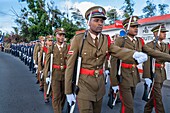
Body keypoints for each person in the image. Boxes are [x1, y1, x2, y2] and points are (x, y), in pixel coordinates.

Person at [65, 6, 148, 113]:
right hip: (83, 85)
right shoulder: (79, 39)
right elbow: (70, 66)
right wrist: (68, 91)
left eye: (102, 21)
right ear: (88, 22)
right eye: (96, 20)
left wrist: (134, 55)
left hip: (99, 86)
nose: (100, 23)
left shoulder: (105, 39)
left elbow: (117, 51)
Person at [111, 16, 170, 113]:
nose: (136, 29)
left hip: (134, 76)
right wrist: (114, 82)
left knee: (128, 104)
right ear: (126, 28)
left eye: (137, 26)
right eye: (133, 26)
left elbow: (152, 52)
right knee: (128, 106)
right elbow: (114, 61)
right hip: (123, 76)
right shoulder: (120, 41)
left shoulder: (139, 41)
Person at [143, 24, 170, 113]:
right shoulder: (149, 45)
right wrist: (147, 76)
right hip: (154, 73)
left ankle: (147, 110)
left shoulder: (165, 45)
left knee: (154, 96)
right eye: (162, 32)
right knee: (158, 98)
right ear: (155, 33)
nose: (165, 34)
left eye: (165, 32)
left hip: (162, 73)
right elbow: (146, 62)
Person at [44, 28, 69, 113]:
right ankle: (57, 111)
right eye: (60, 35)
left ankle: (60, 108)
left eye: (63, 35)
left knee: (64, 95)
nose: (61, 37)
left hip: (66, 74)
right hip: (55, 74)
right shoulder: (52, 48)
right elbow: (47, 62)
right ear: (56, 36)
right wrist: (46, 75)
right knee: (56, 95)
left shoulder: (68, 47)